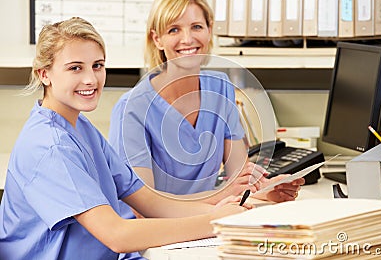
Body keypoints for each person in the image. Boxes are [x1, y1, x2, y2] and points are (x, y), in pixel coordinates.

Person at [0, 17, 252, 260]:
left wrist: (222, 211)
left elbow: (150, 201)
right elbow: (116, 235)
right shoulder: (50, 146)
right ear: (44, 74)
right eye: (75, 68)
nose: (90, 79)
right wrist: (215, 220)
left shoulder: (80, 128)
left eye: (97, 65)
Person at [109, 0, 304, 205]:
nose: (187, 39)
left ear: (209, 30)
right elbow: (142, 208)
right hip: (157, 233)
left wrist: (265, 190)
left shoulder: (220, 87)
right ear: (158, 39)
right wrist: (221, 195)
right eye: (174, 29)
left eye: (196, 27)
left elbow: (239, 176)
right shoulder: (132, 109)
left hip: (205, 223)